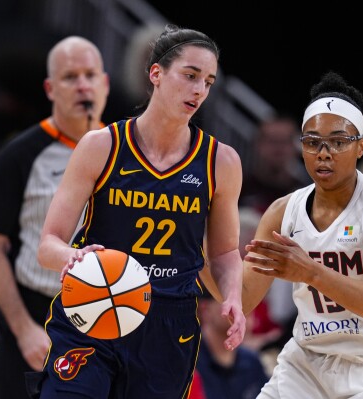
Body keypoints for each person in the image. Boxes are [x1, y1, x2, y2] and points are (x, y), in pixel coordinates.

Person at [31, 24, 246, 398]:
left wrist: (232, 296)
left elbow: (225, 253)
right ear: (156, 74)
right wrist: (72, 257)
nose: (199, 90)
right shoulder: (102, 145)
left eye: (208, 82)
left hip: (167, 321)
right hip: (93, 303)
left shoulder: (220, 161)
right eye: (190, 75)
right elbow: (48, 244)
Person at [203, 70, 363, 398]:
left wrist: (310, 272)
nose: (324, 152)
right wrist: (192, 249)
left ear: (361, 146)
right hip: (307, 365)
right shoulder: (283, 211)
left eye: (338, 141)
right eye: (312, 142)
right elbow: (242, 298)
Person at [0, 36, 110, 399]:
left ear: (105, 84)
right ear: (50, 88)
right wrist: (22, 328)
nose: (83, 85)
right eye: (70, 77)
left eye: (90, 75)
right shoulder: (20, 154)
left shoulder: (128, 152)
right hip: (35, 313)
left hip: (107, 314)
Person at [196, 291, 269, 399]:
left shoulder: (252, 362)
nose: (243, 305)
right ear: (205, 309)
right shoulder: (188, 363)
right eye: (230, 297)